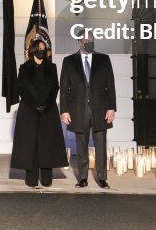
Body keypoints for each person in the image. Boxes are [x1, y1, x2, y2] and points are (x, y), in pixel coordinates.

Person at [60, 33, 116, 188]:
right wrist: (64, 111)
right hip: (79, 110)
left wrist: (112, 108)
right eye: (86, 41)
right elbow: (64, 88)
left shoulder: (104, 59)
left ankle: (102, 178)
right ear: (79, 43)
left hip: (100, 110)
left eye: (91, 41)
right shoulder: (69, 61)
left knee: (101, 146)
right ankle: (83, 178)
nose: (89, 43)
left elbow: (110, 85)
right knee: (81, 146)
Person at [10, 39, 67, 187]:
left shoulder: (52, 67)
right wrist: (36, 105)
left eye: (44, 48)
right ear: (33, 50)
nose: (41, 51)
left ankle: (47, 178)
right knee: (31, 144)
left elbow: (55, 87)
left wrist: (46, 105)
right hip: (29, 111)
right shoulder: (24, 67)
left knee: (47, 145)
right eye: (39, 48)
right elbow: (22, 89)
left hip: (48, 111)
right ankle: (31, 178)